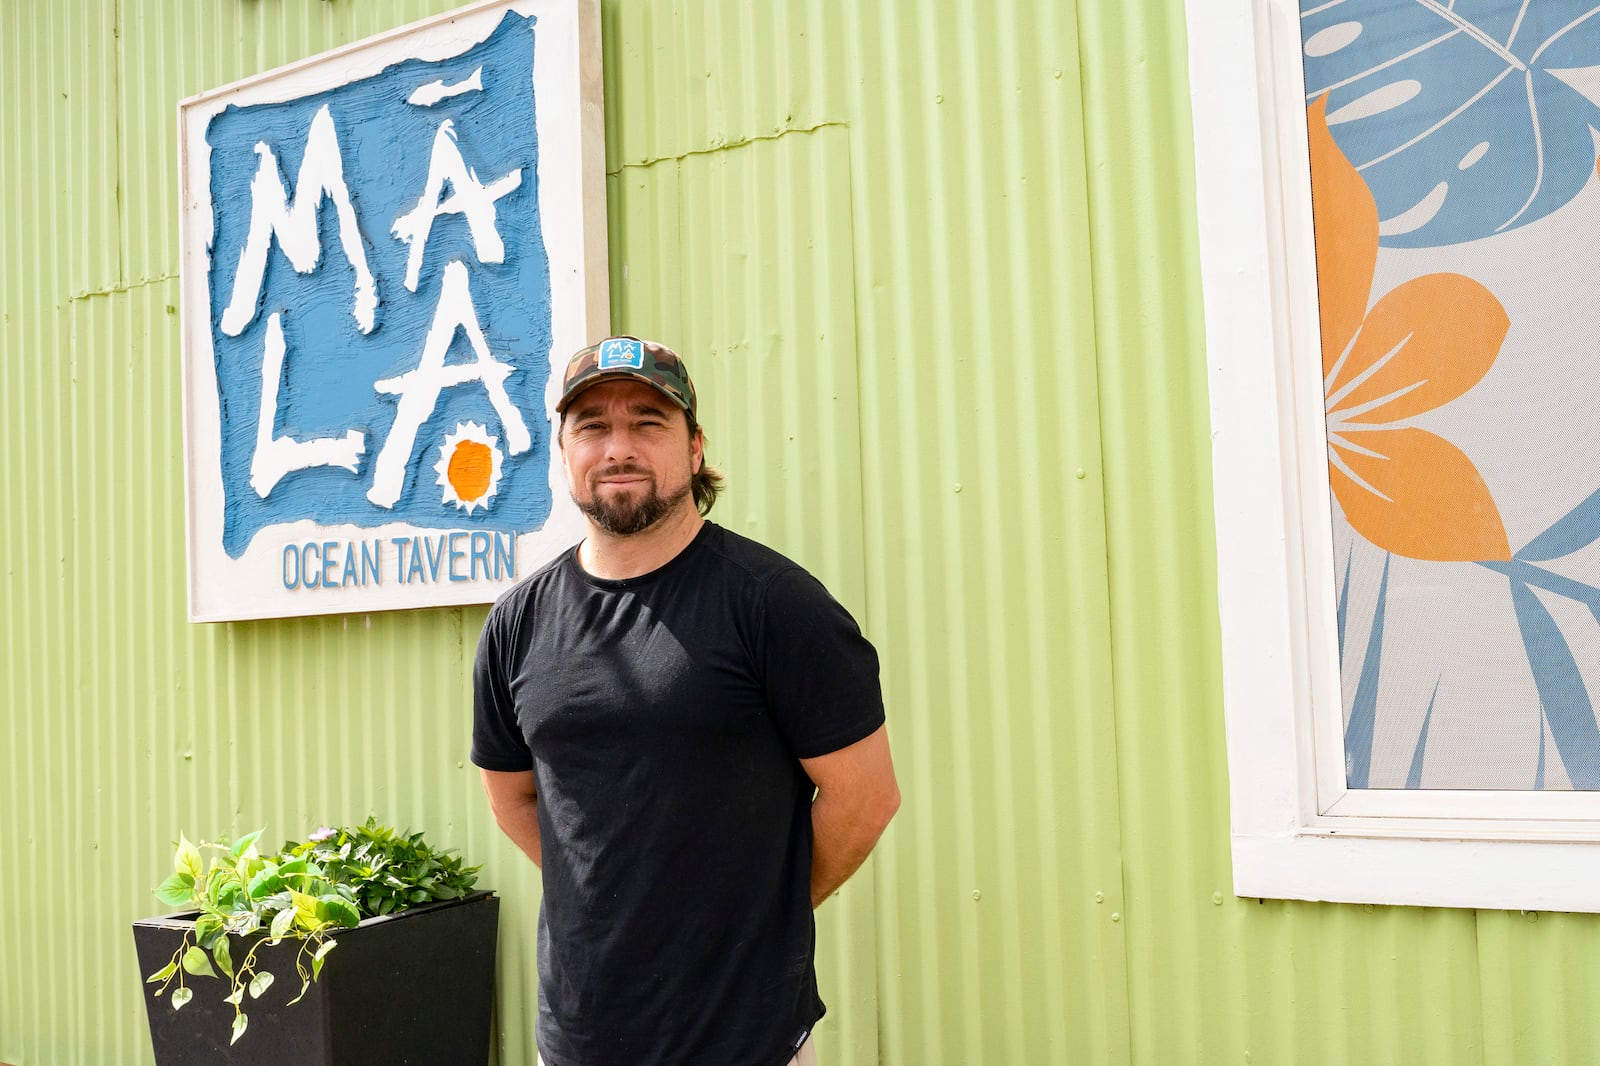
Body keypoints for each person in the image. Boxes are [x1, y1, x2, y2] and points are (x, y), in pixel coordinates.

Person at [471, 335, 900, 1066]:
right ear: (564, 452)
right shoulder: (517, 622)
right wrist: (615, 905)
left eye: (648, 422)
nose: (619, 448)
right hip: (577, 1038)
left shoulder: (772, 604)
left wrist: (755, 921)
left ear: (695, 448)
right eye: (593, 427)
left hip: (743, 1037)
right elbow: (512, 797)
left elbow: (864, 799)